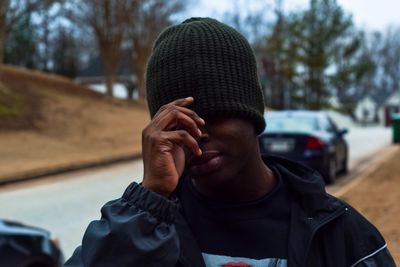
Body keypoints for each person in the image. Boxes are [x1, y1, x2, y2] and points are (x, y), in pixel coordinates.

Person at [64, 17, 395, 267]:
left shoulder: (339, 233)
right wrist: (151, 197)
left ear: (252, 114)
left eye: (215, 114)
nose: (198, 133)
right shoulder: (144, 229)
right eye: (178, 123)